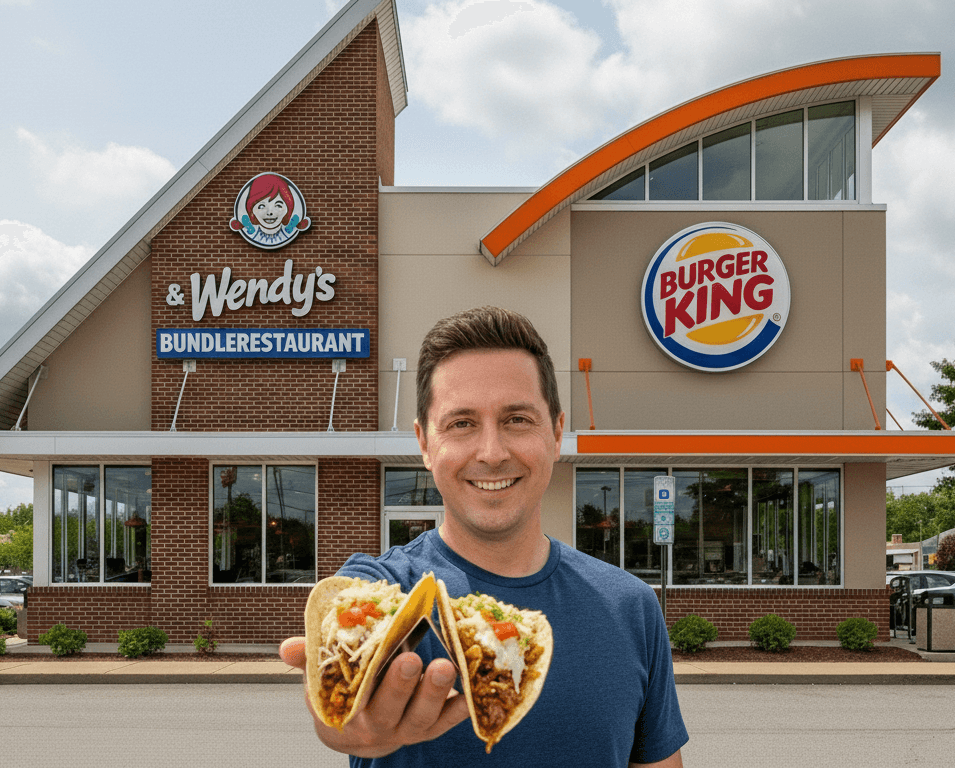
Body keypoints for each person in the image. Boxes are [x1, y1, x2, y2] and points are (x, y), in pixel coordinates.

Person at [280, 306, 687, 767]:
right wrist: (347, 713)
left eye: (517, 419)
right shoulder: (386, 586)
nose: (492, 453)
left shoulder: (631, 607)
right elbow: (338, 672)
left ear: (555, 434)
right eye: (461, 423)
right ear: (424, 444)